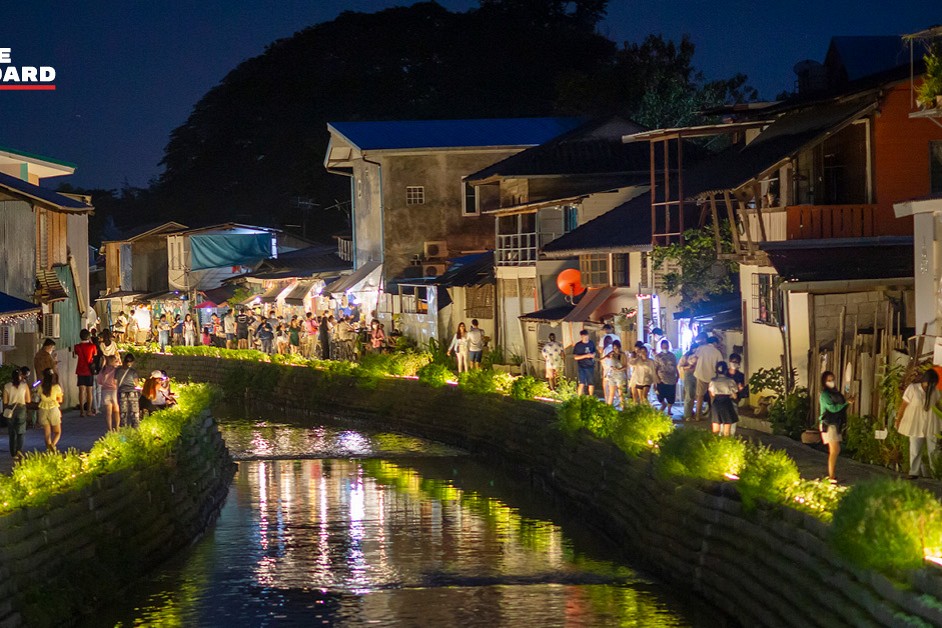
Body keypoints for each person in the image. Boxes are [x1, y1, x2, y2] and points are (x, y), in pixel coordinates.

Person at [895, 369, 942, 480]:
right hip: (915, 422)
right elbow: (903, 405)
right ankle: (914, 472)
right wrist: (899, 419)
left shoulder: (935, 390)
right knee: (915, 448)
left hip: (931, 423)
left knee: (933, 449)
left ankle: (936, 473)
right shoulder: (913, 388)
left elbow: (937, 405)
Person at [819, 371, 852, 483]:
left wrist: (846, 402)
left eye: (832, 379)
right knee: (834, 450)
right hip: (828, 424)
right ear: (824, 382)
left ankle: (832, 475)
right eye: (828, 380)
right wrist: (845, 403)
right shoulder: (825, 395)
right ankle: (831, 476)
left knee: (835, 450)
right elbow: (832, 408)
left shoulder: (835, 393)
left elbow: (840, 406)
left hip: (835, 423)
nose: (831, 382)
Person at [3, 368, 31, 461]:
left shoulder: (7, 386)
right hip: (21, 408)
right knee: (21, 431)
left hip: (10, 409)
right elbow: (28, 400)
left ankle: (13, 453)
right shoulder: (24, 385)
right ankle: (19, 451)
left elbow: (5, 401)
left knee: (12, 432)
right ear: (20, 376)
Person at [694, 335, 723, 421]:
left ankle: (697, 416)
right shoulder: (717, 352)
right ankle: (713, 416)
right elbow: (720, 366)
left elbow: (695, 358)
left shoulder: (701, 348)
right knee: (712, 397)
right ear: (714, 343)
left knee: (699, 396)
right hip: (712, 377)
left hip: (700, 375)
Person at [708, 361, 739, 437]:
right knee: (727, 430)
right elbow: (734, 396)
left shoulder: (713, 381)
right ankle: (726, 444)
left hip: (716, 403)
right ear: (726, 370)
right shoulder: (730, 381)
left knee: (715, 428)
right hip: (726, 403)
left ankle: (714, 444)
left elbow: (712, 394)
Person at [74, 328, 99, 416]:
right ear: (88, 337)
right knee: (89, 390)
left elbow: (76, 354)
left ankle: (81, 411)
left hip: (80, 370)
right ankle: (88, 410)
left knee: (81, 391)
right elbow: (95, 355)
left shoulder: (77, 346)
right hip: (89, 370)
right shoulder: (92, 346)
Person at [37, 368, 63, 452]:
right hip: (53, 409)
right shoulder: (56, 387)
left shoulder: (40, 386)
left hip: (43, 410)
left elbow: (37, 393)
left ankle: (49, 449)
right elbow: (60, 399)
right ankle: (52, 445)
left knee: (47, 433)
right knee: (57, 432)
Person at [115, 353, 141, 428]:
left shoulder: (118, 370)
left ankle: (123, 427)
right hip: (132, 392)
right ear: (132, 362)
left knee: (123, 412)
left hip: (122, 392)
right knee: (134, 412)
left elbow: (115, 382)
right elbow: (136, 383)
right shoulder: (133, 371)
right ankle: (135, 427)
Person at [654, 340, 679, 415]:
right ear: (661, 347)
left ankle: (669, 410)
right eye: (663, 346)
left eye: (666, 346)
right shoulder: (658, 356)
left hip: (671, 378)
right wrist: (656, 378)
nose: (665, 347)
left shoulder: (672, 355)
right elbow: (655, 368)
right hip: (661, 378)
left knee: (671, 395)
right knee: (660, 395)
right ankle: (663, 404)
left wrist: (677, 375)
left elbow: (675, 366)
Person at [97, 354, 121, 431]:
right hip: (114, 390)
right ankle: (117, 427)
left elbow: (99, 381)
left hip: (105, 391)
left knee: (108, 412)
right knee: (116, 410)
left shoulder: (103, 370)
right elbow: (118, 381)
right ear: (113, 361)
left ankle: (109, 429)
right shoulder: (116, 370)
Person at [603, 340, 629, 406]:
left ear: (619, 347)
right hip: (612, 374)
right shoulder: (612, 353)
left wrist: (618, 369)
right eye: (614, 348)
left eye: (617, 348)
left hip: (620, 375)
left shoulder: (623, 355)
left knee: (620, 393)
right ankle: (609, 408)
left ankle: (623, 409)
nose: (616, 350)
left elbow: (626, 366)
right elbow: (603, 358)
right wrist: (607, 357)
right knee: (611, 393)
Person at [677, 343, 698, 421]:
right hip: (688, 375)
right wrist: (687, 367)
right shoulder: (685, 356)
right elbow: (680, 366)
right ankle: (687, 414)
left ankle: (691, 412)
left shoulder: (699, 356)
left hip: (697, 375)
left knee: (695, 395)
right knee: (689, 394)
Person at [573, 329, 597, 396]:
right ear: (581, 336)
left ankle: (591, 397)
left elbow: (594, 352)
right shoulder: (578, 345)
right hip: (582, 366)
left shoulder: (591, 343)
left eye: (587, 335)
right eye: (584, 336)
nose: (586, 337)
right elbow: (575, 357)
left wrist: (592, 355)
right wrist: (585, 356)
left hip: (590, 366)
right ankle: (579, 398)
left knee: (591, 383)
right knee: (582, 383)